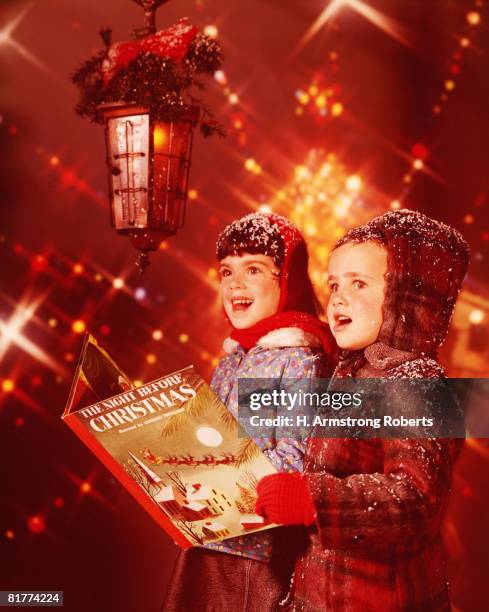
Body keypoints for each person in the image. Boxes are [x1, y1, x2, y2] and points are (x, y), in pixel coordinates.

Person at [255, 209, 470, 611]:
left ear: (407, 295)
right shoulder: (354, 370)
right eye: (334, 283)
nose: (338, 296)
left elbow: (416, 501)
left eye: (359, 283)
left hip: (381, 600)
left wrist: (314, 501)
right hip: (323, 592)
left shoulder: (416, 383)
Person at [163, 212, 335, 611]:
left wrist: (215, 471)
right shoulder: (232, 358)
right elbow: (206, 437)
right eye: (226, 271)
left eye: (253, 269)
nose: (235, 284)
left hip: (255, 554)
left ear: (286, 279)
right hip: (208, 536)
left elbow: (296, 460)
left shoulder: (300, 360)